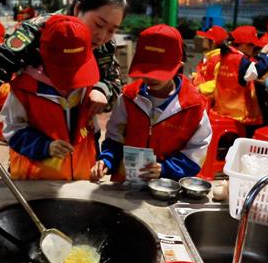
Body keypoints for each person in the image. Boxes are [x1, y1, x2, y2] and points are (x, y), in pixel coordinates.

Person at [0, 0, 127, 145]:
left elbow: (115, 81)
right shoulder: (38, 31)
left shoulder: (105, 45)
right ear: (78, 9)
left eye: (112, 30)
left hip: (81, 140)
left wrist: (102, 89)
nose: (102, 36)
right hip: (33, 136)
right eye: (98, 24)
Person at [90, 25, 211, 182]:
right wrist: (106, 160)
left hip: (167, 186)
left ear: (178, 67)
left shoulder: (194, 106)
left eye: (159, 73)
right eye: (145, 70)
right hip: (125, 184)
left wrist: (166, 168)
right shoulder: (129, 98)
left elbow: (197, 152)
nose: (151, 78)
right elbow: (115, 138)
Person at [1, 15, 99, 180]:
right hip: (37, 184)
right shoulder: (24, 89)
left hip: (81, 180)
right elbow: (12, 130)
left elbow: (92, 130)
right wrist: (45, 147)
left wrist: (98, 159)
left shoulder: (87, 83)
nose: (72, 80)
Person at [211, 26, 264, 127]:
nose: (253, 48)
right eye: (251, 45)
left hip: (222, 108)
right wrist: (264, 56)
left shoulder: (226, 55)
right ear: (243, 45)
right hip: (237, 114)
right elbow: (258, 71)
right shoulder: (240, 60)